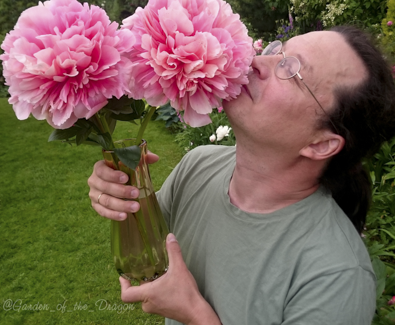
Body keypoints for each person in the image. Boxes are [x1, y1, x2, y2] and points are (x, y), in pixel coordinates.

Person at [88, 26, 395, 325]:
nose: (256, 62)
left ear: (321, 144)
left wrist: (194, 312)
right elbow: (144, 249)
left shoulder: (336, 277)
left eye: (291, 70)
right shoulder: (197, 165)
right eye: (278, 51)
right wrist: (122, 188)